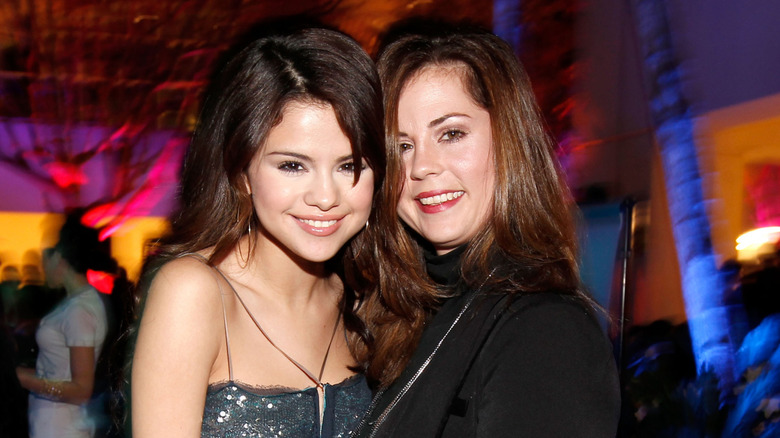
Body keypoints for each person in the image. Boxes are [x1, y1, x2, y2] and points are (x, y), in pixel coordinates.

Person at [351, 21, 621, 437]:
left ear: (509, 141)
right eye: (402, 145)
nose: (422, 166)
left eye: (452, 133)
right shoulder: (400, 315)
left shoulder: (545, 332)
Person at [130, 23, 384, 438]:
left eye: (350, 166)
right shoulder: (194, 292)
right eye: (292, 165)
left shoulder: (365, 301)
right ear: (242, 171)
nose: (325, 196)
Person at [15, 214, 110, 438]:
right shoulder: (77, 302)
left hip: (60, 427)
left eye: (44, 259)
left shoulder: (79, 309)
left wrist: (22, 378)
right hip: (54, 423)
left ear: (59, 257)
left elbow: (81, 390)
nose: (42, 267)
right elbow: (57, 370)